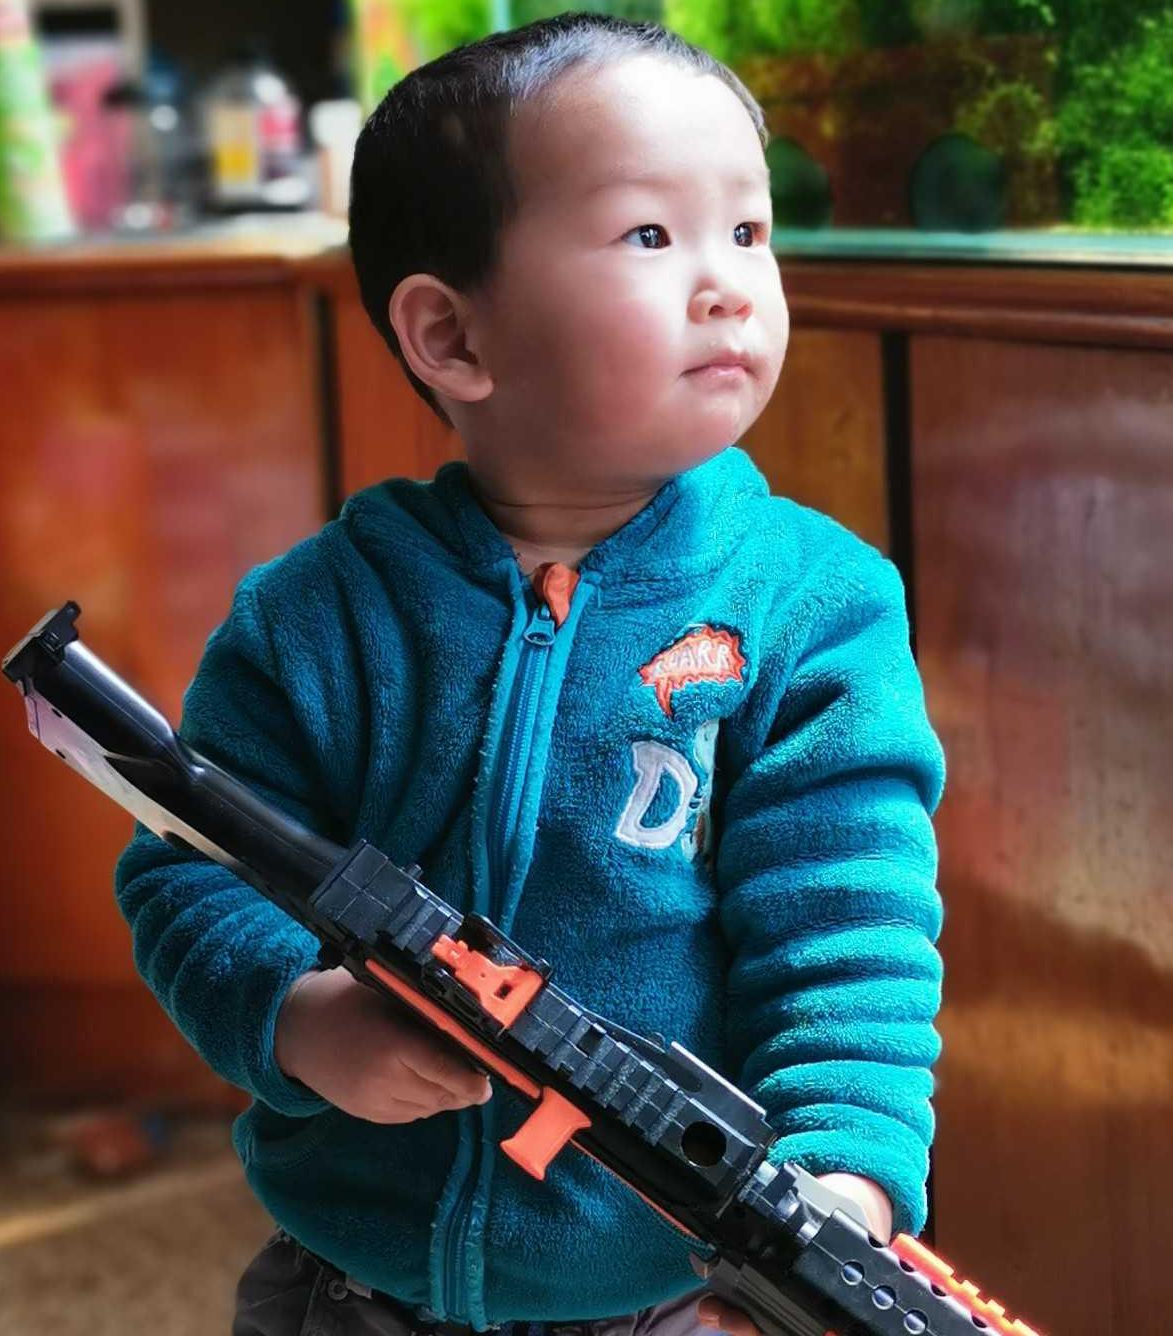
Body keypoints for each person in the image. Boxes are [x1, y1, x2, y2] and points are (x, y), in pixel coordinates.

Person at [114, 15, 945, 1336]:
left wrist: (841, 1179)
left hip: (671, 1294)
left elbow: (849, 925)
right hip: (354, 1285)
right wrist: (298, 1018)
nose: (729, 284)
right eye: (650, 236)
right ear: (451, 337)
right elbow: (189, 868)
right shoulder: (320, 617)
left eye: (748, 230)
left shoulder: (812, 605)